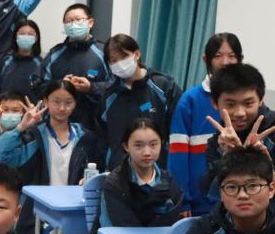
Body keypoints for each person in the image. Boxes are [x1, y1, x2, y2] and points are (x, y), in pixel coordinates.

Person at [0, 80, 101, 234]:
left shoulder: (85, 137)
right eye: (56, 102)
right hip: (36, 214)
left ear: (75, 104)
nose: (62, 108)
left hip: (72, 212)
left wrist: (88, 181)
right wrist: (21, 127)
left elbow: (97, 172)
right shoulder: (33, 136)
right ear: (46, 102)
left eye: (68, 102)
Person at [170, 32, 244, 216]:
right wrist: (182, 200)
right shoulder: (190, 100)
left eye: (231, 56)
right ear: (206, 59)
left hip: (241, 199)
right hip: (200, 201)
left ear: (240, 59)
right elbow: (177, 155)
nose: (225, 62)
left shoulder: (247, 100)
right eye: (218, 56)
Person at [91, 119, 185, 234]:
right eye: (138, 146)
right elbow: (120, 231)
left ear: (162, 143)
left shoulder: (169, 181)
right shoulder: (114, 184)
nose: (147, 152)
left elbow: (172, 226)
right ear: (126, 146)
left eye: (153, 144)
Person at [96, 34, 182, 169]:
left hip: (158, 171)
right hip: (119, 173)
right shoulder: (108, 97)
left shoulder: (164, 86)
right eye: (114, 60)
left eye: (124, 57)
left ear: (136, 54)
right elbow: (102, 138)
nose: (119, 64)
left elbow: (178, 131)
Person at [200, 62, 275, 202]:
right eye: (230, 104)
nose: (240, 113)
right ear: (215, 103)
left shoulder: (272, 132)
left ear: (261, 100)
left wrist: (266, 161)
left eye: (248, 103)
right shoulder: (217, 143)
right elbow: (211, 193)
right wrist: (228, 157)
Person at [35, 3, 110, 129]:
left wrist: (91, 87)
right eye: (69, 21)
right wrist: (60, 85)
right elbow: (37, 84)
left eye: (78, 20)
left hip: (95, 125)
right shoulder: (55, 53)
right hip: (58, 125)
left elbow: (117, 86)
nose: (73, 24)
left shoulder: (104, 52)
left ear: (90, 22)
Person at [0, 18, 42, 103]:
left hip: (31, 110)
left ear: (36, 38)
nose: (26, 37)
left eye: (30, 34)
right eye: (22, 34)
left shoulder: (41, 65)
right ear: (15, 36)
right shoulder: (5, 62)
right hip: (5, 110)